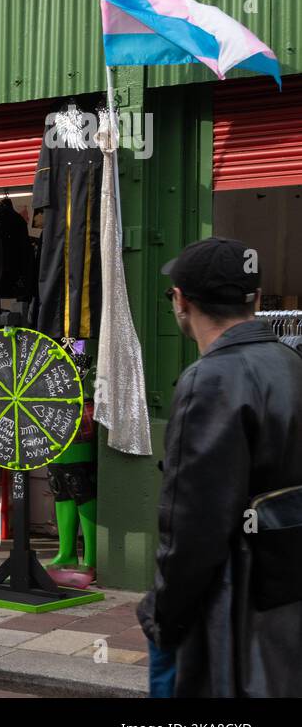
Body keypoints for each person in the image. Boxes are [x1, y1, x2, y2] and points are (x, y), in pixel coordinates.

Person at [138, 237, 302, 697]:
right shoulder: (290, 362)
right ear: (255, 298)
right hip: (280, 602)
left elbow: (193, 525)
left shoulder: (209, 379)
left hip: (225, 608)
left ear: (182, 301)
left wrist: (161, 618)